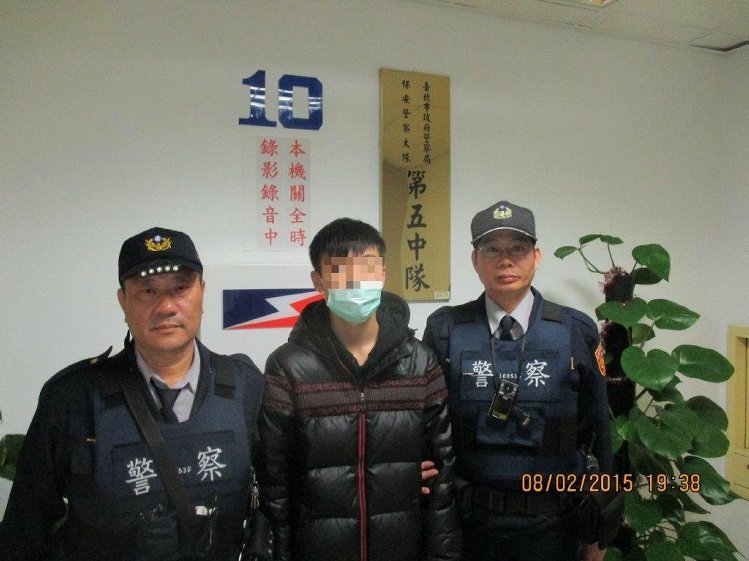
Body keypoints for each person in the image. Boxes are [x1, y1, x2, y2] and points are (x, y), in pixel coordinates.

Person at [0, 227, 264, 560]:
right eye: (147, 291)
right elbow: (24, 531)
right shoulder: (72, 399)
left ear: (202, 292)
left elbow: (274, 505)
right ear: (123, 301)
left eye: (180, 288)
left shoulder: (245, 387)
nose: (166, 306)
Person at [257, 217, 461, 561]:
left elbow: (441, 477)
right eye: (340, 271)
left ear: (383, 273)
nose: (355, 281)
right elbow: (275, 483)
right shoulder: (288, 366)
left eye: (367, 268)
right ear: (319, 281)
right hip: (319, 549)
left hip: (401, 547)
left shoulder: (420, 363)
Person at [422, 201, 613, 561]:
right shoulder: (445, 330)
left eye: (518, 249)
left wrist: (599, 535)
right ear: (475, 260)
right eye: (492, 249)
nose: (505, 260)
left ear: (536, 257)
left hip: (554, 529)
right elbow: (429, 429)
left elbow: (598, 431)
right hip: (469, 529)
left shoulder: (575, 330)